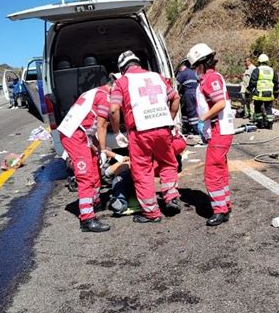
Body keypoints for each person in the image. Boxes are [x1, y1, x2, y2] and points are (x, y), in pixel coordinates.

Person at [109, 50, 181, 223]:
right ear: (137, 63)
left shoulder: (121, 82)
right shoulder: (157, 76)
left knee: (142, 171)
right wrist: (168, 119)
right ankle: (171, 197)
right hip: (163, 129)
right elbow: (176, 98)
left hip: (140, 132)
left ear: (122, 68)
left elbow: (113, 109)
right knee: (168, 163)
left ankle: (151, 212)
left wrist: (117, 131)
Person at [187, 42, 235, 226]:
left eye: (196, 67)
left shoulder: (210, 78)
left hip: (219, 130)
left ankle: (220, 210)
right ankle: (225, 204)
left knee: (212, 172)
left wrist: (202, 119)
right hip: (219, 130)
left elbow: (220, 103)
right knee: (220, 170)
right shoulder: (209, 78)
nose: (195, 71)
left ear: (201, 64)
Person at [58, 80, 114, 233]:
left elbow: (90, 127)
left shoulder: (93, 92)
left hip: (79, 132)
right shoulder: (104, 96)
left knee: (94, 162)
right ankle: (87, 219)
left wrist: (99, 149)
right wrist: (103, 149)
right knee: (86, 176)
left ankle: (95, 201)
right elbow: (102, 125)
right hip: (74, 135)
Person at [248, 53, 279, 129]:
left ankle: (260, 123)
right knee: (268, 108)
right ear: (267, 61)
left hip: (259, 94)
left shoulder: (257, 70)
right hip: (269, 94)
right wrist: (276, 93)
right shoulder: (272, 70)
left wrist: (248, 92)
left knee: (258, 108)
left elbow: (252, 82)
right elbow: (276, 83)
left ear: (259, 62)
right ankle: (270, 124)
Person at [176, 60, 199, 135]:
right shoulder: (192, 72)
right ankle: (188, 127)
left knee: (190, 111)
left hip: (188, 93)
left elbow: (176, 84)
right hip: (196, 92)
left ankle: (195, 129)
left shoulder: (182, 73)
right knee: (187, 111)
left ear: (181, 68)